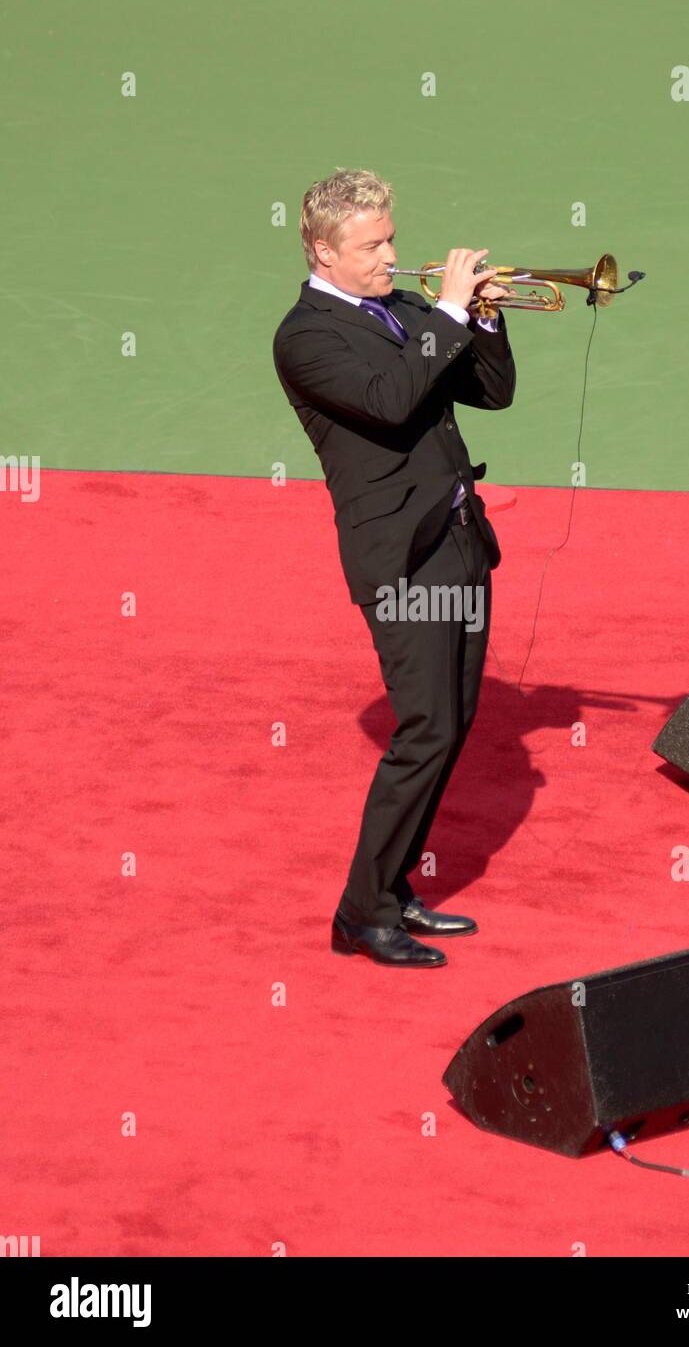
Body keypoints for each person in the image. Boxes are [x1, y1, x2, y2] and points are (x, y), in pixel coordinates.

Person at [272, 168, 516, 969]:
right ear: (321, 249)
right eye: (371, 245)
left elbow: (492, 393)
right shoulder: (305, 337)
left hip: (459, 544)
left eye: (390, 238)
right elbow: (388, 399)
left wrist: (479, 318)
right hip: (401, 562)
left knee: (457, 725)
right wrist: (446, 311)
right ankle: (360, 912)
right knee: (426, 730)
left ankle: (395, 885)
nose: (391, 256)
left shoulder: (407, 309)